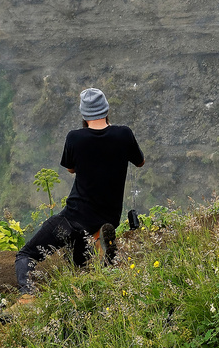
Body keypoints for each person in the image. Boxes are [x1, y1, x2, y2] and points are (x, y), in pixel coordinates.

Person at [15, 87, 145, 289]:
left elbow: (70, 168)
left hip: (72, 220)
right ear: (106, 109)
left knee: (26, 255)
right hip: (109, 217)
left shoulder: (75, 138)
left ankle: (27, 296)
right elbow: (140, 162)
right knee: (76, 262)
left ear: (84, 113)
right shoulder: (124, 134)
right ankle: (96, 241)